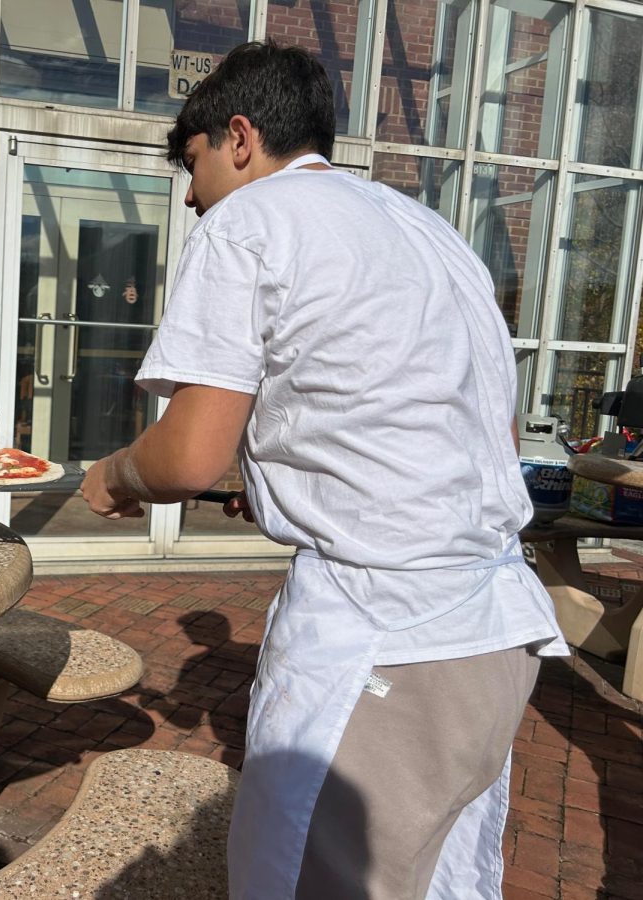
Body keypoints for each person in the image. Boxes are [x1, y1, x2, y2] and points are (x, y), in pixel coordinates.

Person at [79, 40, 566, 900]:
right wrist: (276, 480)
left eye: (192, 166)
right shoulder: (423, 227)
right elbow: (441, 421)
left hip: (393, 636)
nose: (190, 196)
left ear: (239, 137)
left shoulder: (251, 221)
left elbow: (186, 455)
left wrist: (114, 475)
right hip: (498, 631)